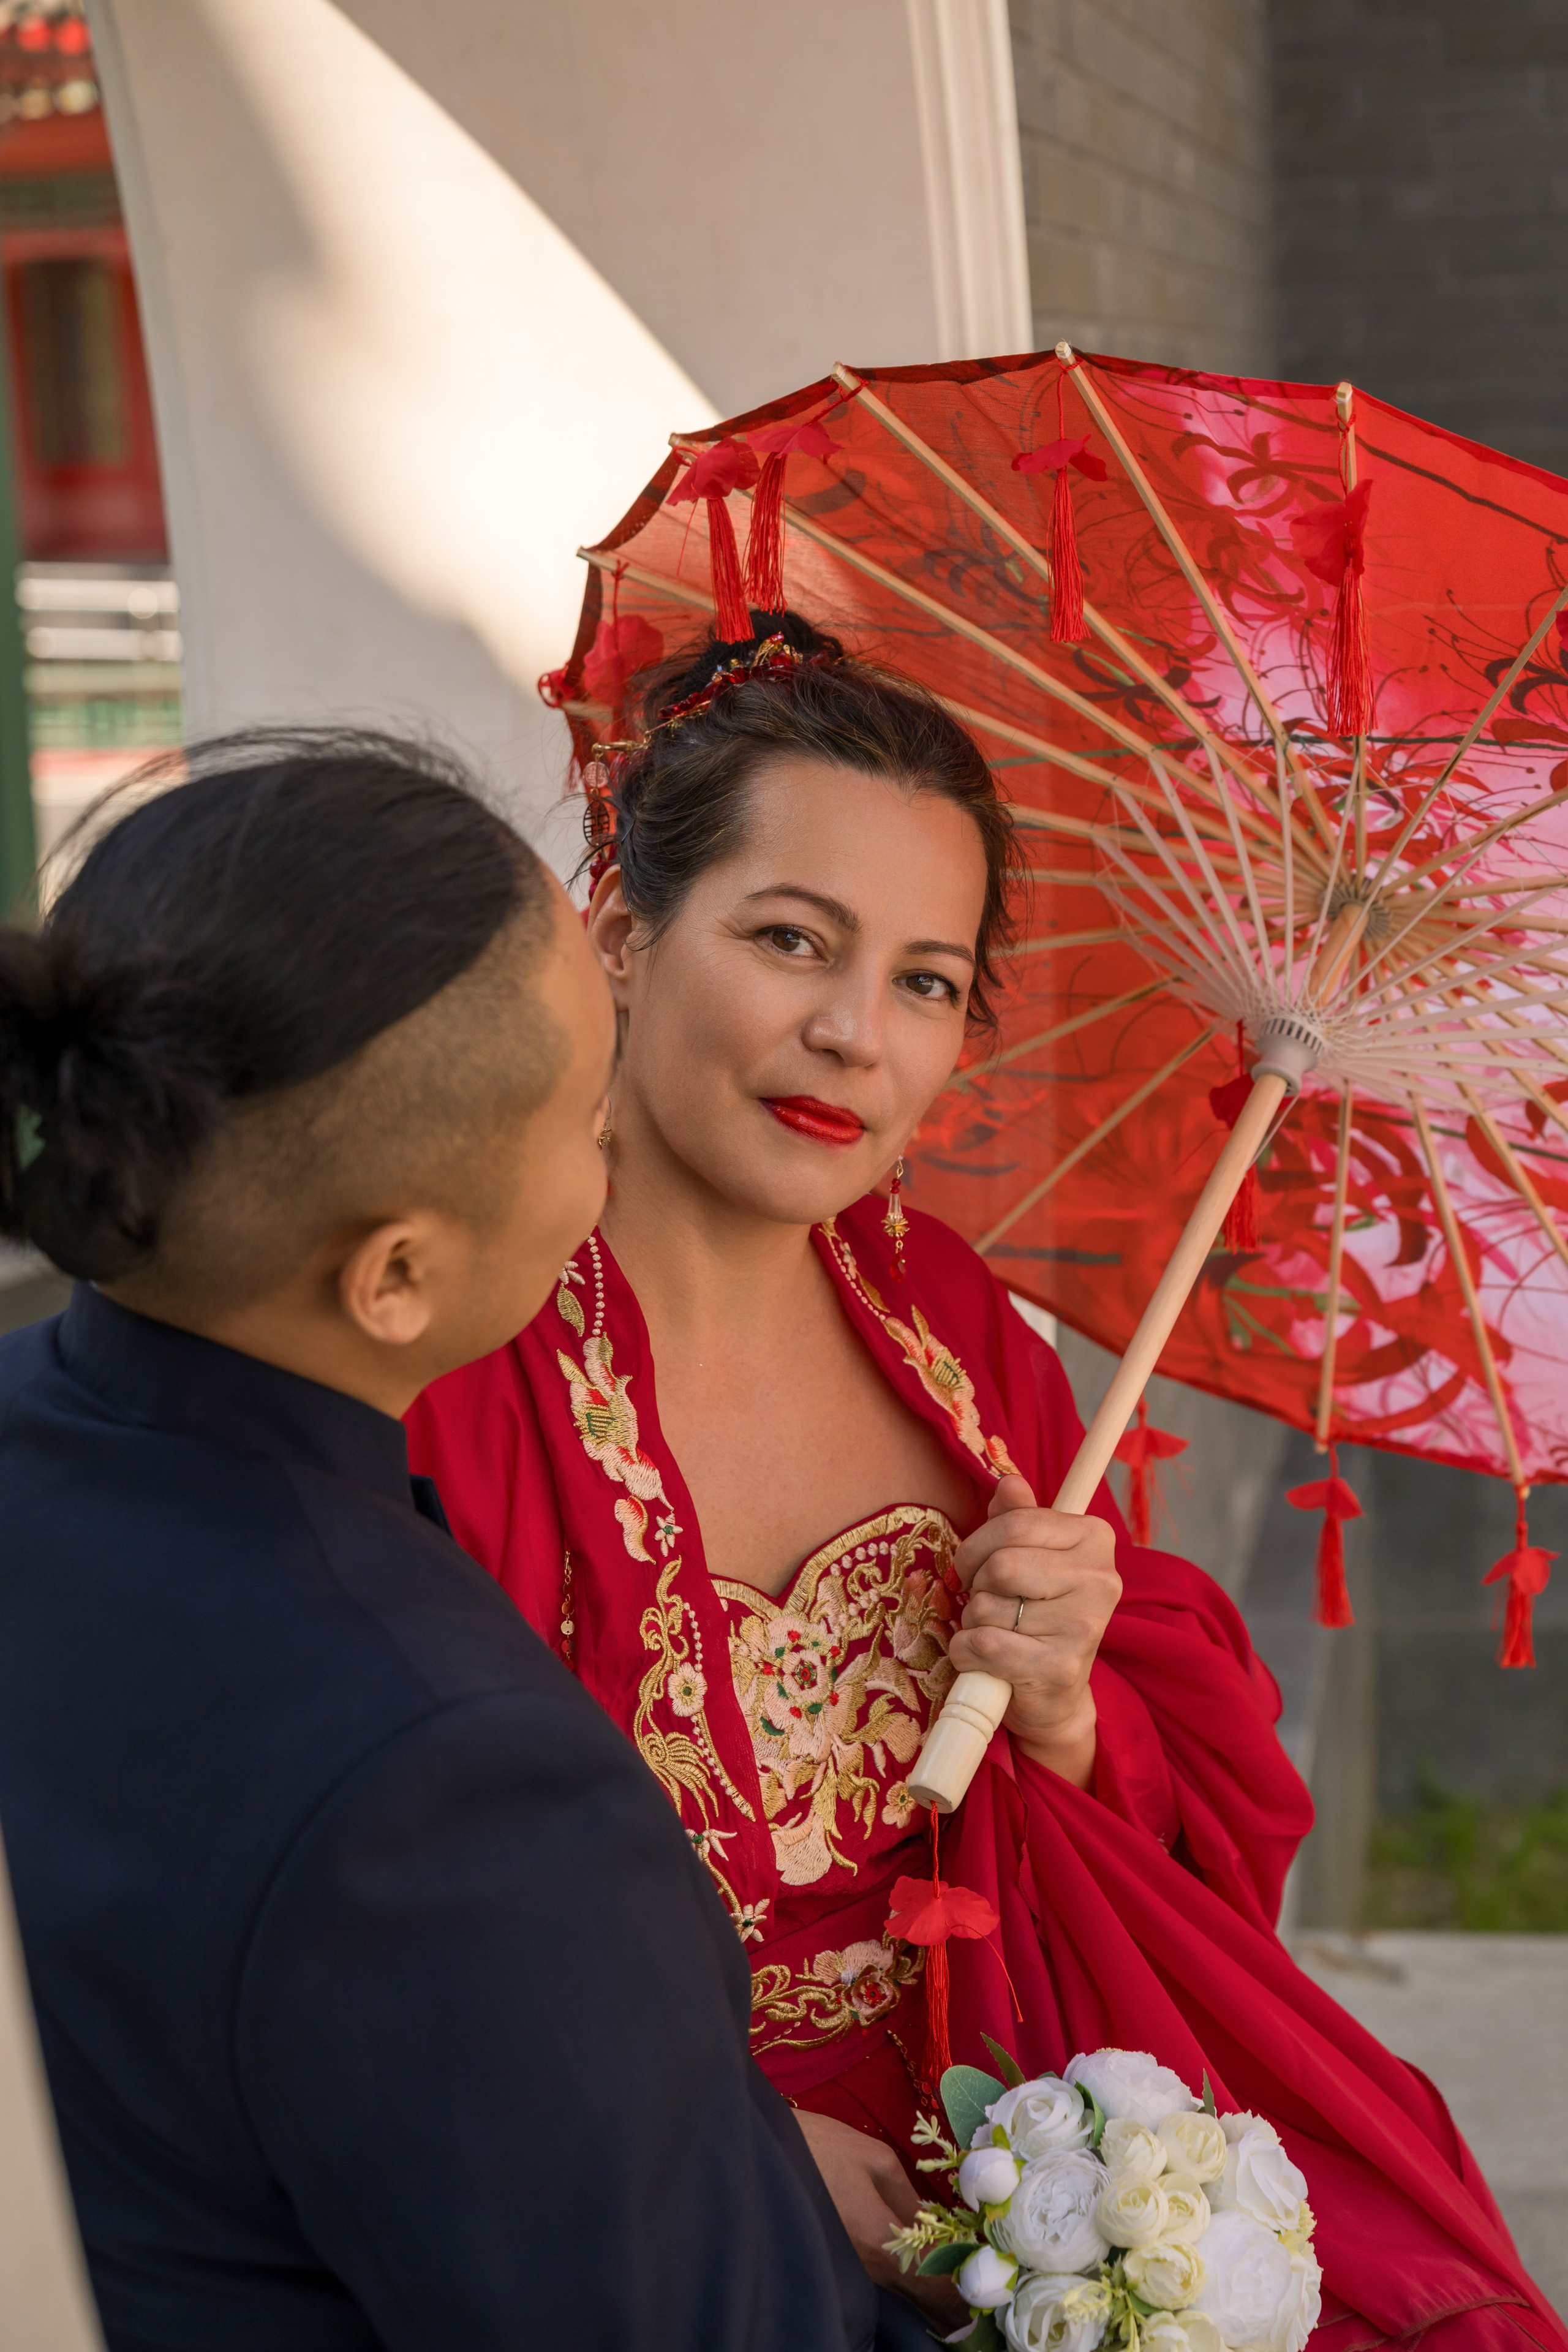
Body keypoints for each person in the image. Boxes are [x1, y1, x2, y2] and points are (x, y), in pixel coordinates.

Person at [408, 618, 1568, 2352]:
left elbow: (1172, 1850)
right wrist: (709, 2138)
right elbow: (395, 1891)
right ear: (623, 935)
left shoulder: (952, 1328)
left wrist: (1067, 1706)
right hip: (618, 2173)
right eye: (792, 940)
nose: (855, 1035)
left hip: (1019, 2116)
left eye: (930, 981)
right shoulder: (456, 1352)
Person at [0, 728, 876, 2352]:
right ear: (395, 1275)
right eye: (581, 1112)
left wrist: (714, 2159)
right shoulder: (449, 1789)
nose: (612, 1153)